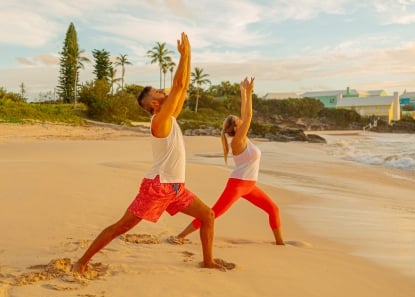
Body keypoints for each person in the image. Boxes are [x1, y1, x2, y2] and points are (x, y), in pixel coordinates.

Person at [72, 32, 232, 273]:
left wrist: (188, 57)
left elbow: (183, 86)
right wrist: (185, 54)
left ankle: (208, 260)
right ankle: (80, 262)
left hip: (176, 187)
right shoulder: (160, 121)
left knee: (207, 215)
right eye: (157, 92)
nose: (162, 91)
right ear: (154, 105)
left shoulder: (169, 116)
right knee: (121, 227)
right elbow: (178, 86)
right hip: (158, 187)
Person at [174, 77, 285, 245]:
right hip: (238, 185)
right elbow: (248, 115)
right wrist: (246, 92)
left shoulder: (243, 139)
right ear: (235, 128)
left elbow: (244, 115)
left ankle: (280, 243)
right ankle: (180, 236)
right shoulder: (237, 141)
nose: (242, 120)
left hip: (250, 186)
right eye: (238, 120)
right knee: (213, 214)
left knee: (273, 209)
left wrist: (245, 92)